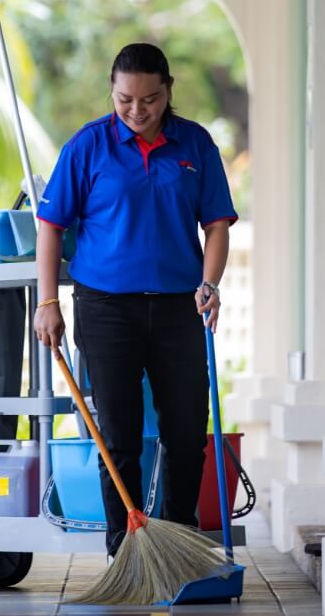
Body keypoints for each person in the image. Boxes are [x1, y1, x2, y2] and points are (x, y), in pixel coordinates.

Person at [34, 43, 238, 558]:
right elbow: (51, 226)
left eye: (149, 99)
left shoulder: (196, 145)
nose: (137, 110)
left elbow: (216, 224)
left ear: (168, 90)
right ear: (113, 90)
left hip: (180, 307)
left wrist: (210, 284)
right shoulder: (87, 147)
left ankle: (182, 543)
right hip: (107, 308)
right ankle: (125, 552)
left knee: (187, 431)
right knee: (118, 437)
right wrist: (48, 303)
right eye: (125, 98)